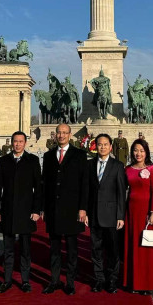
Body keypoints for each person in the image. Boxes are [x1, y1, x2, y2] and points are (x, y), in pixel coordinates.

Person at [0, 131, 43, 293]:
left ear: (25, 143)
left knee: (25, 249)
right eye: (15, 141)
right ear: (12, 142)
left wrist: (37, 210)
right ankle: (7, 281)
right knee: (8, 249)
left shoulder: (32, 160)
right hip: (7, 211)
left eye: (21, 141)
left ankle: (25, 280)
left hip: (26, 211)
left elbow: (38, 188)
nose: (18, 144)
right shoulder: (4, 161)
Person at [41, 123, 88, 295]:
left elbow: (84, 184)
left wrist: (83, 208)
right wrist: (43, 207)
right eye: (58, 133)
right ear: (55, 135)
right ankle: (54, 281)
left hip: (72, 209)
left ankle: (70, 282)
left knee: (71, 248)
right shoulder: (47, 156)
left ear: (70, 135)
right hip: (53, 208)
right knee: (54, 248)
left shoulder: (80, 155)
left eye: (64, 133)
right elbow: (44, 183)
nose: (61, 135)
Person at [86, 133, 126, 294]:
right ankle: (99, 279)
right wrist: (86, 212)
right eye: (99, 144)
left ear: (111, 147)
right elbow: (87, 191)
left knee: (113, 251)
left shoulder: (118, 165)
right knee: (96, 250)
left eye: (105, 144)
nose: (102, 147)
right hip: (94, 214)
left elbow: (121, 193)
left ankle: (112, 280)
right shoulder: (89, 165)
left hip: (111, 215)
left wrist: (120, 216)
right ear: (96, 147)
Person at [122, 139, 153, 294]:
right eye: (136, 150)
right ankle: (133, 282)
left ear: (147, 152)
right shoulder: (128, 169)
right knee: (132, 246)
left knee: (146, 248)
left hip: (146, 213)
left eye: (142, 151)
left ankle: (147, 283)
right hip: (131, 212)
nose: (138, 154)